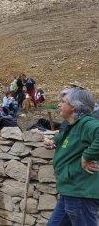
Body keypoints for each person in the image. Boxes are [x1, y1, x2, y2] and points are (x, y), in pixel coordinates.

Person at [43, 88, 99, 225]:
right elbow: (66, 138)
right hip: (70, 191)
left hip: (80, 193)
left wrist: (86, 156)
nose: (59, 105)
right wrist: (54, 141)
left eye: (63, 102)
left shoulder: (86, 123)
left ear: (74, 106)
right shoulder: (72, 125)